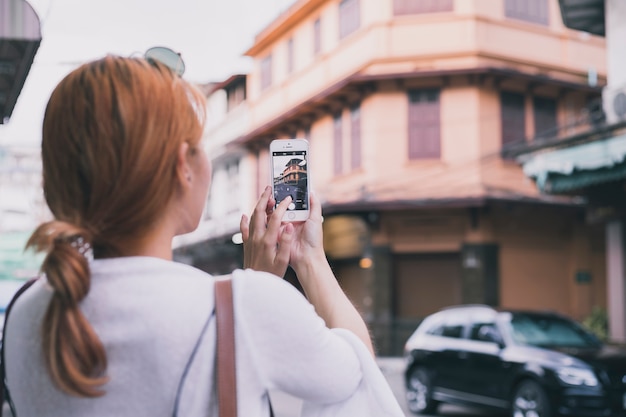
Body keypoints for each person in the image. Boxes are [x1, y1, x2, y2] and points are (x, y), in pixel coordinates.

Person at [2, 53, 403, 417]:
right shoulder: (246, 308)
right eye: (200, 146)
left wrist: (255, 290)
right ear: (184, 165)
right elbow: (361, 382)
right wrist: (308, 262)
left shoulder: (25, 312)